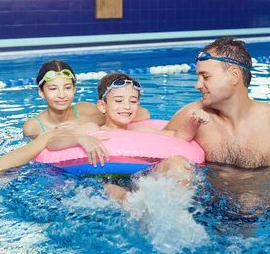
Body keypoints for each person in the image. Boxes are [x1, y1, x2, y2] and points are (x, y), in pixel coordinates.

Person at [163, 37, 270, 216]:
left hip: (256, 215)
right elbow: (155, 153)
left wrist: (268, 196)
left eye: (205, 77)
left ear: (234, 75)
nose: (197, 85)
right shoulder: (193, 115)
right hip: (201, 208)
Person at [46, 72, 209, 199]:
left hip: (140, 178)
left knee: (179, 165)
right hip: (103, 182)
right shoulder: (92, 129)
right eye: (118, 101)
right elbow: (53, 142)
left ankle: (177, 213)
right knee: (117, 192)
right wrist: (81, 139)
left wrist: (194, 122)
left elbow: (177, 138)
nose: (126, 106)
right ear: (102, 106)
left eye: (132, 101)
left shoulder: (138, 130)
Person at [23, 60, 150, 139]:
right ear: (41, 92)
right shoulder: (33, 127)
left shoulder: (83, 110)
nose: (61, 95)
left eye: (67, 87)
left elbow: (144, 114)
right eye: (53, 89)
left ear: (74, 89)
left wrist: (84, 123)